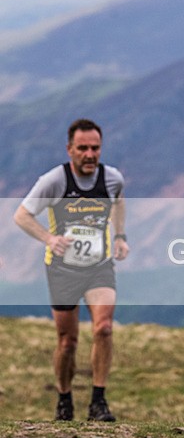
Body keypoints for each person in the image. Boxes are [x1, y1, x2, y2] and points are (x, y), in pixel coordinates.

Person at [13, 118, 129, 422]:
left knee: (103, 328)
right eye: (83, 148)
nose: (90, 154)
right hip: (63, 270)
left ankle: (98, 402)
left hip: (99, 266)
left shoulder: (112, 178)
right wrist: (49, 239)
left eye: (95, 148)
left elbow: (118, 201)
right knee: (68, 341)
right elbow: (22, 215)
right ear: (70, 150)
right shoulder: (54, 181)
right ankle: (64, 399)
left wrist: (119, 236)